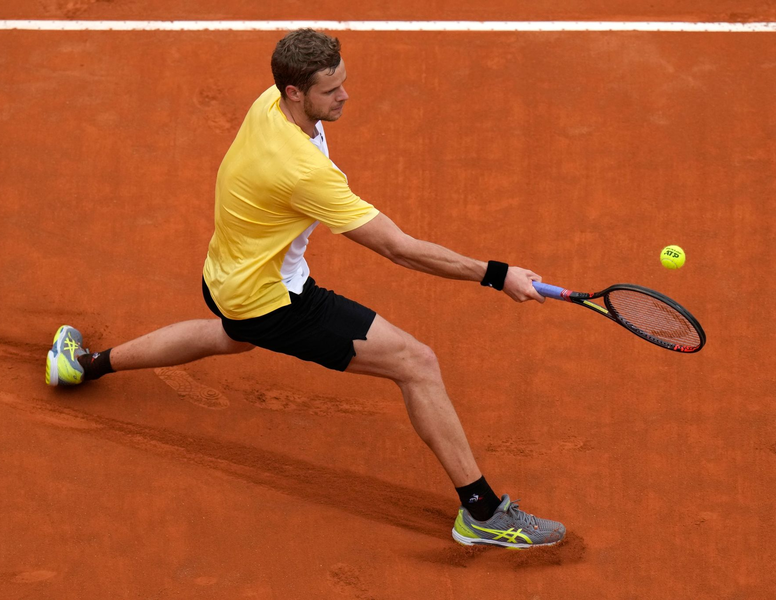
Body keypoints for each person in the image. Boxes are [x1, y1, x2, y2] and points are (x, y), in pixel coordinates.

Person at [45, 28, 565, 549]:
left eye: (342, 82)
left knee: (231, 335)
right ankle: (481, 512)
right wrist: (499, 275)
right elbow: (398, 248)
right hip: (276, 301)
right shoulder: (302, 172)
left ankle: (83, 365)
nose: (344, 97)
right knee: (417, 363)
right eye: (330, 90)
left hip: (225, 274)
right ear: (294, 91)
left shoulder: (268, 101)